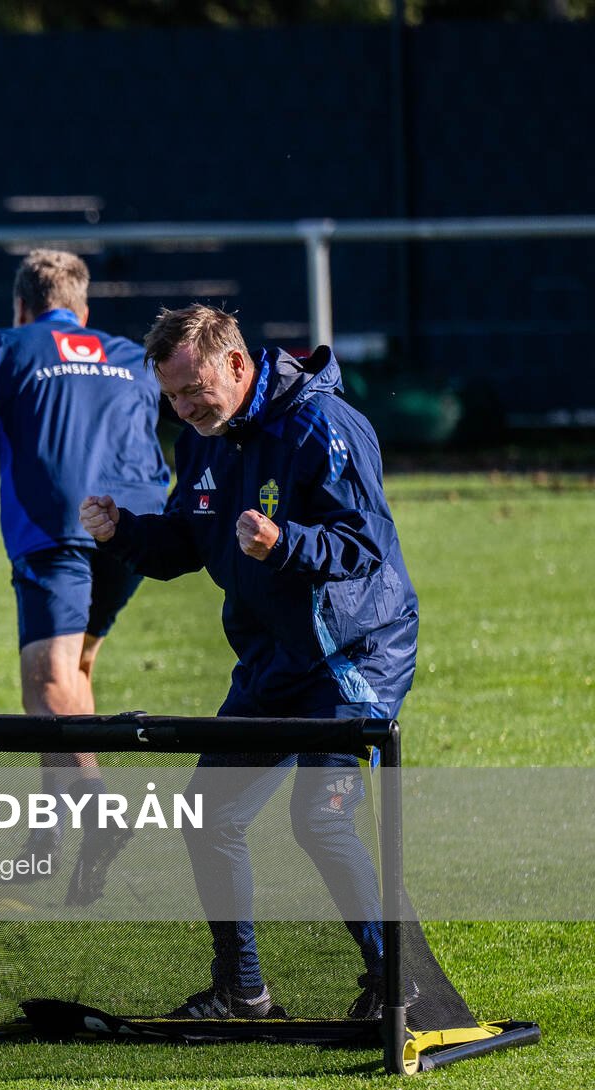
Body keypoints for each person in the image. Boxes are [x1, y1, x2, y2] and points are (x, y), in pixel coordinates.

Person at [80, 304, 418, 1020]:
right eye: (171, 396)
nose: (184, 407)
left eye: (194, 389)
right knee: (207, 814)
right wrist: (124, 534)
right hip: (273, 658)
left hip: (352, 652)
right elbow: (187, 542)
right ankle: (243, 991)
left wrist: (287, 543)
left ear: (237, 363)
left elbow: (366, 546)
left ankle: (395, 984)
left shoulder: (324, 428)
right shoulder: (203, 441)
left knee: (319, 820)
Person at [0, 249, 171, 902]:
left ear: (21, 306)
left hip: (58, 530)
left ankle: (100, 817)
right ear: (82, 310)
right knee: (76, 675)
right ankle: (46, 842)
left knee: (46, 685)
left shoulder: (7, 345)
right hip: (134, 530)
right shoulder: (127, 352)